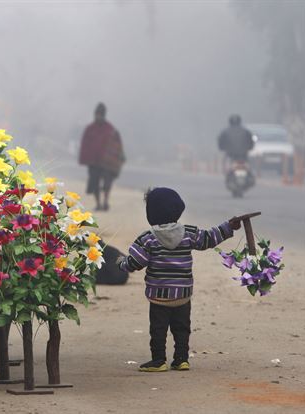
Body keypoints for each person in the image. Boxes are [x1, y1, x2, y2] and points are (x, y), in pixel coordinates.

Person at [117, 187, 241, 372]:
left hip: (158, 296)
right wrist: (228, 227)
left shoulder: (148, 238)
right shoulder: (189, 233)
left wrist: (121, 262)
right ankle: (182, 359)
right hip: (183, 294)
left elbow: (136, 262)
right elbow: (208, 239)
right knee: (182, 328)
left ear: (151, 213)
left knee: (158, 330)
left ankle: (159, 360)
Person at [78, 103, 125, 211]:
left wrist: (119, 157)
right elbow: (85, 145)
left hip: (106, 163)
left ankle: (105, 202)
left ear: (104, 115)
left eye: (100, 114)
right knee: (95, 183)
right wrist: (85, 159)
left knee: (107, 183)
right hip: (93, 162)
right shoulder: (90, 129)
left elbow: (117, 145)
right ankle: (98, 203)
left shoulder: (110, 129)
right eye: (97, 114)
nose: (98, 116)